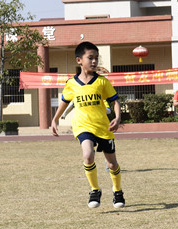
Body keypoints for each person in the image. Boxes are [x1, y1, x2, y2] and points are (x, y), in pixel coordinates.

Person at [51, 41, 125, 208]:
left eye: (96, 58)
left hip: (103, 127)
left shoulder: (102, 82)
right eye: (90, 58)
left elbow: (115, 101)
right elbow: (64, 102)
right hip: (82, 126)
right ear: (79, 60)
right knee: (88, 155)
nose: (94, 61)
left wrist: (118, 117)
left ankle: (117, 191)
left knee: (112, 164)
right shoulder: (71, 83)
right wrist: (55, 119)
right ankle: (95, 190)